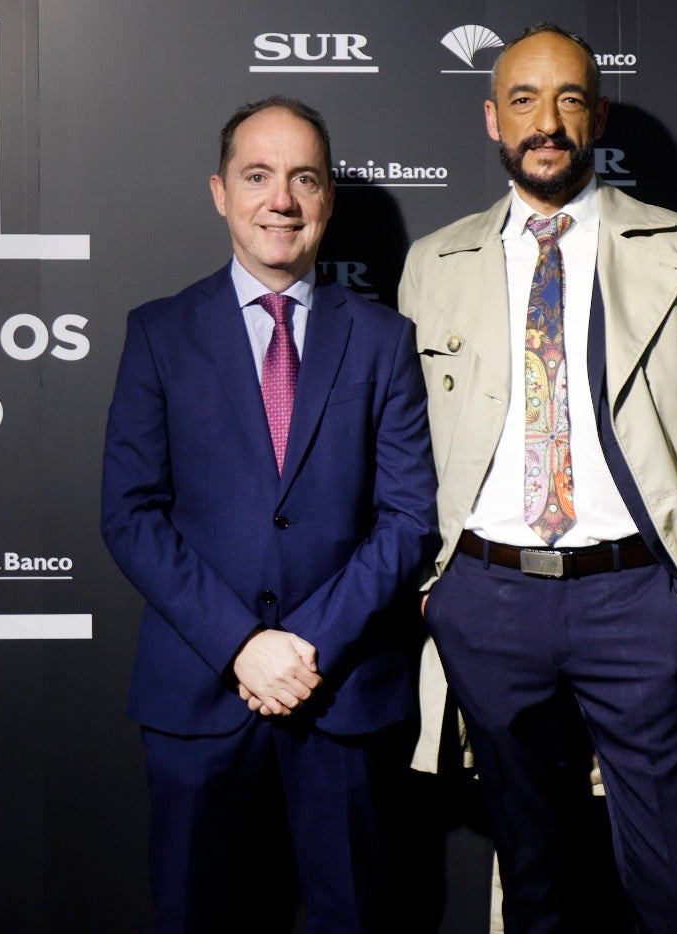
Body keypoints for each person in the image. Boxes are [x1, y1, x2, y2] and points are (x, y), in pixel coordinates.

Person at [398, 23, 677, 934]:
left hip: (639, 603)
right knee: (533, 884)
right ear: (492, 118)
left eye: (569, 98)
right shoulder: (434, 264)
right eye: (525, 100)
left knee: (673, 894)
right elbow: (405, 446)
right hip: (487, 600)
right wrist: (434, 592)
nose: (548, 121)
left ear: (597, 115)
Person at [101, 96, 439, 933]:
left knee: (352, 917)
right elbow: (131, 514)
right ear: (220, 192)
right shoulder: (159, 333)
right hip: (198, 692)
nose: (279, 200)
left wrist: (304, 646)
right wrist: (243, 645)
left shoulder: (385, 339)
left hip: (344, 692)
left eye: (303, 179)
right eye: (258, 176)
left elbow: (407, 518)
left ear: (327, 199)